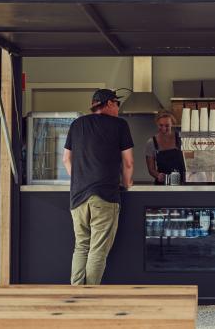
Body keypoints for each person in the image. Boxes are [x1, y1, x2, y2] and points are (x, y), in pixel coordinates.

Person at [62, 88, 134, 285]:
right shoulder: (120, 125)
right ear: (109, 103)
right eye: (117, 103)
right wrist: (127, 183)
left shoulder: (77, 125)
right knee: (98, 249)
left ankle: (76, 295)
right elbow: (128, 163)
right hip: (105, 196)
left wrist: (80, 179)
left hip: (78, 197)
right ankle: (90, 298)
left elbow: (66, 159)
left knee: (81, 246)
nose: (119, 108)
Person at [145, 110, 185, 184]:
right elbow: (151, 169)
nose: (163, 128)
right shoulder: (151, 143)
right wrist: (158, 175)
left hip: (181, 183)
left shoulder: (180, 139)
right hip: (162, 184)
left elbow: (189, 161)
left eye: (167, 125)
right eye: (161, 125)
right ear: (157, 123)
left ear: (172, 124)